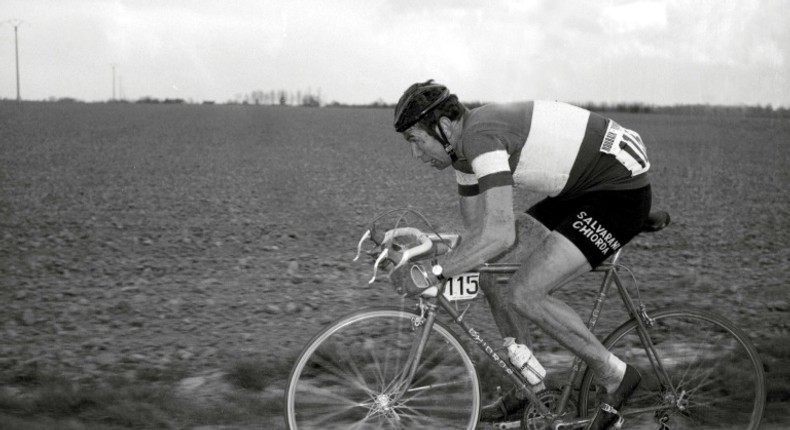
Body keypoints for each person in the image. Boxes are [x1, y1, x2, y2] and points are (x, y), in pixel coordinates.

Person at [391, 80, 652, 430]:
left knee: (525, 292)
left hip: (618, 193)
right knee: (491, 273)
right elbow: (478, 236)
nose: (415, 155)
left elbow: (499, 234)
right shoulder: (463, 156)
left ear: (442, 126)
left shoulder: (480, 138)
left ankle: (617, 376)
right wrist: (429, 246)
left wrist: (431, 272)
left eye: (415, 141)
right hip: (581, 188)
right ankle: (531, 385)